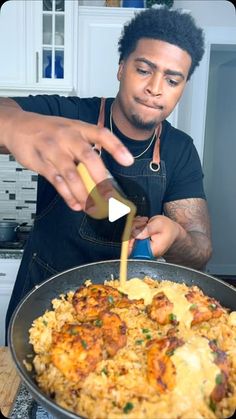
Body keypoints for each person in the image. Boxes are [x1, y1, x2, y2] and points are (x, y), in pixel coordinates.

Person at [0, 7, 212, 336]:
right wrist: (14, 123)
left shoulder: (180, 149)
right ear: (121, 67)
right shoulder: (68, 114)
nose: (156, 88)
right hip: (42, 311)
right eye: (144, 69)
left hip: (122, 324)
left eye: (172, 80)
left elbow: (200, 252)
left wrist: (176, 237)